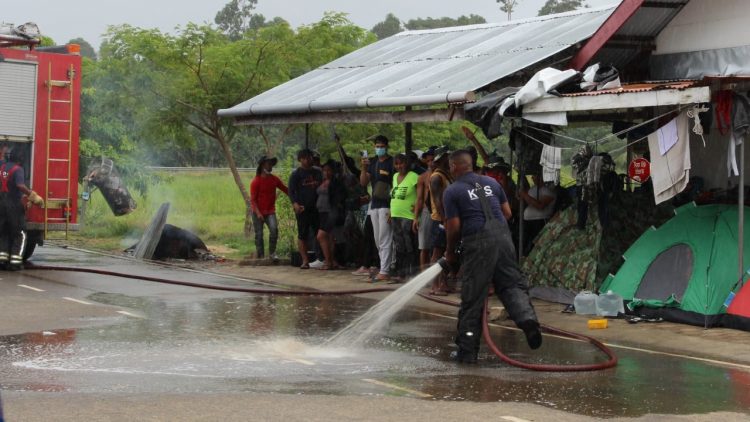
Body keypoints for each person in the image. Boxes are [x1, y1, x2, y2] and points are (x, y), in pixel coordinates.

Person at [442, 150, 541, 364]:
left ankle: (466, 351)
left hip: (478, 244)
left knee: (473, 299)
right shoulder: (492, 183)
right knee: (511, 285)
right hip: (505, 241)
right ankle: (528, 321)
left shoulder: (452, 191)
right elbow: (507, 213)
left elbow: (454, 226)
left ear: (454, 167)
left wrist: (450, 252)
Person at [0, 148, 43, 270]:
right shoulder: (18, 169)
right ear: (21, 159)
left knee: (4, 232)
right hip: (13, 205)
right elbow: (19, 185)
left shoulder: (2, 167)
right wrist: (31, 195)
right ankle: (15, 263)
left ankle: (2, 260)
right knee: (20, 233)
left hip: (1, 203)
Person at [360, 135, 395, 281]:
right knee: (377, 239)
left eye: (381, 146)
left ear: (387, 146)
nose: (379, 148)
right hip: (374, 205)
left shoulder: (392, 162)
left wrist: (394, 207)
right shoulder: (373, 162)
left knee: (385, 238)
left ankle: (386, 270)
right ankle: (385, 266)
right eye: (377, 146)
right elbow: (363, 182)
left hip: (387, 205)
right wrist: (363, 167)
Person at [249, 156, 288, 261]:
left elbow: (285, 189)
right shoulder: (256, 182)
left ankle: (272, 253)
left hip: (270, 211)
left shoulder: (274, 179)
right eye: (268, 164)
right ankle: (260, 256)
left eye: (271, 164)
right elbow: (253, 200)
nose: (270, 166)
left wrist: (295, 197)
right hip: (258, 212)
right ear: (262, 166)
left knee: (274, 230)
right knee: (259, 234)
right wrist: (258, 213)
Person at [288, 149, 322, 269]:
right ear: (300, 159)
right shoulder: (296, 174)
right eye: (306, 158)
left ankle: (321, 258)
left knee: (320, 233)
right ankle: (305, 260)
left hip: (316, 208)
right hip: (302, 208)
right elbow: (291, 191)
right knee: (303, 234)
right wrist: (295, 204)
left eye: (310, 157)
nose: (309, 160)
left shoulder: (318, 172)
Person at [389, 153, 420, 281]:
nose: (399, 166)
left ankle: (411, 272)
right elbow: (394, 195)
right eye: (396, 164)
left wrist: (416, 215)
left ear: (406, 163)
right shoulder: (395, 176)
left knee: (409, 245)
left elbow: (420, 196)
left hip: (408, 216)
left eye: (401, 163)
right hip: (395, 215)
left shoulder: (413, 176)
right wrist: (391, 212)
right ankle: (401, 273)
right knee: (399, 244)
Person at [428, 146, 453, 295]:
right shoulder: (437, 177)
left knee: (445, 253)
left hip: (446, 218)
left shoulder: (447, 175)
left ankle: (442, 282)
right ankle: (435, 285)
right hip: (439, 220)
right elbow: (437, 201)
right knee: (437, 254)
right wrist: (445, 220)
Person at [315, 159, 346, 270]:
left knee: (321, 235)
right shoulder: (321, 181)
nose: (326, 172)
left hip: (331, 212)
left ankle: (328, 262)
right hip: (321, 212)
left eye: (329, 170)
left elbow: (339, 198)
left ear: (333, 171)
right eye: (324, 170)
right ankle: (332, 261)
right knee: (329, 237)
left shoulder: (336, 183)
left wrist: (336, 208)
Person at [518, 172, 556, 256]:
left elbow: (540, 205)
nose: (532, 178)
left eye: (534, 175)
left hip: (540, 221)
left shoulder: (548, 190)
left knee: (537, 244)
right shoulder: (532, 189)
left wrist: (524, 195)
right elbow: (526, 200)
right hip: (528, 221)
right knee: (526, 243)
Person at [415, 148, 435, 270]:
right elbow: (420, 199)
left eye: (433, 160)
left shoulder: (445, 175)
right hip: (427, 212)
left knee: (440, 247)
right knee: (424, 246)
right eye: (428, 161)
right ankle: (423, 274)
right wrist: (416, 217)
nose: (431, 163)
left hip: (441, 212)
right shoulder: (422, 177)